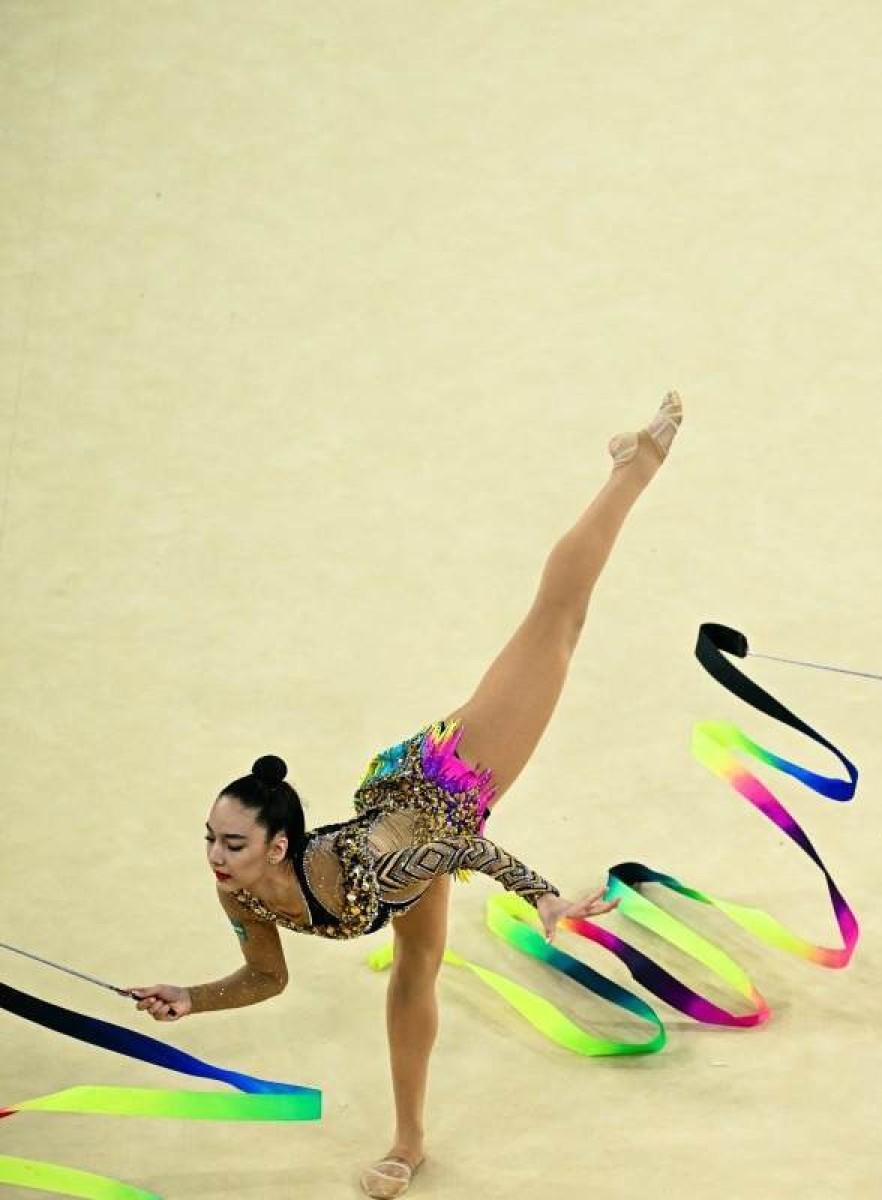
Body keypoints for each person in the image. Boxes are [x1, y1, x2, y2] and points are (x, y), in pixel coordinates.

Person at [129, 392, 684, 1198]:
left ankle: (635, 468)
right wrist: (191, 997)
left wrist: (543, 897)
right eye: (211, 840)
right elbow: (266, 980)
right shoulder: (247, 895)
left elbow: (452, 848)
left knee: (555, 623)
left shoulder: (358, 873)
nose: (215, 858)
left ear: (279, 847)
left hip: (449, 783)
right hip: (391, 795)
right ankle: (409, 1143)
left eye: (232, 844)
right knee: (415, 970)